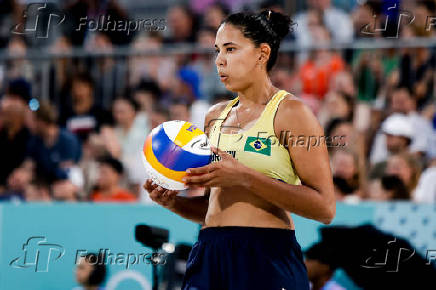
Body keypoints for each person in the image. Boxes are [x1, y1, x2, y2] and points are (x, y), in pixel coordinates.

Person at [144, 10, 335, 290]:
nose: (219, 60)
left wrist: (245, 177)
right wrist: (173, 202)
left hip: (266, 255)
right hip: (209, 251)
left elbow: (325, 208)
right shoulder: (214, 116)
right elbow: (215, 207)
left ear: (262, 54)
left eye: (231, 49)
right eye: (217, 50)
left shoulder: (292, 113)